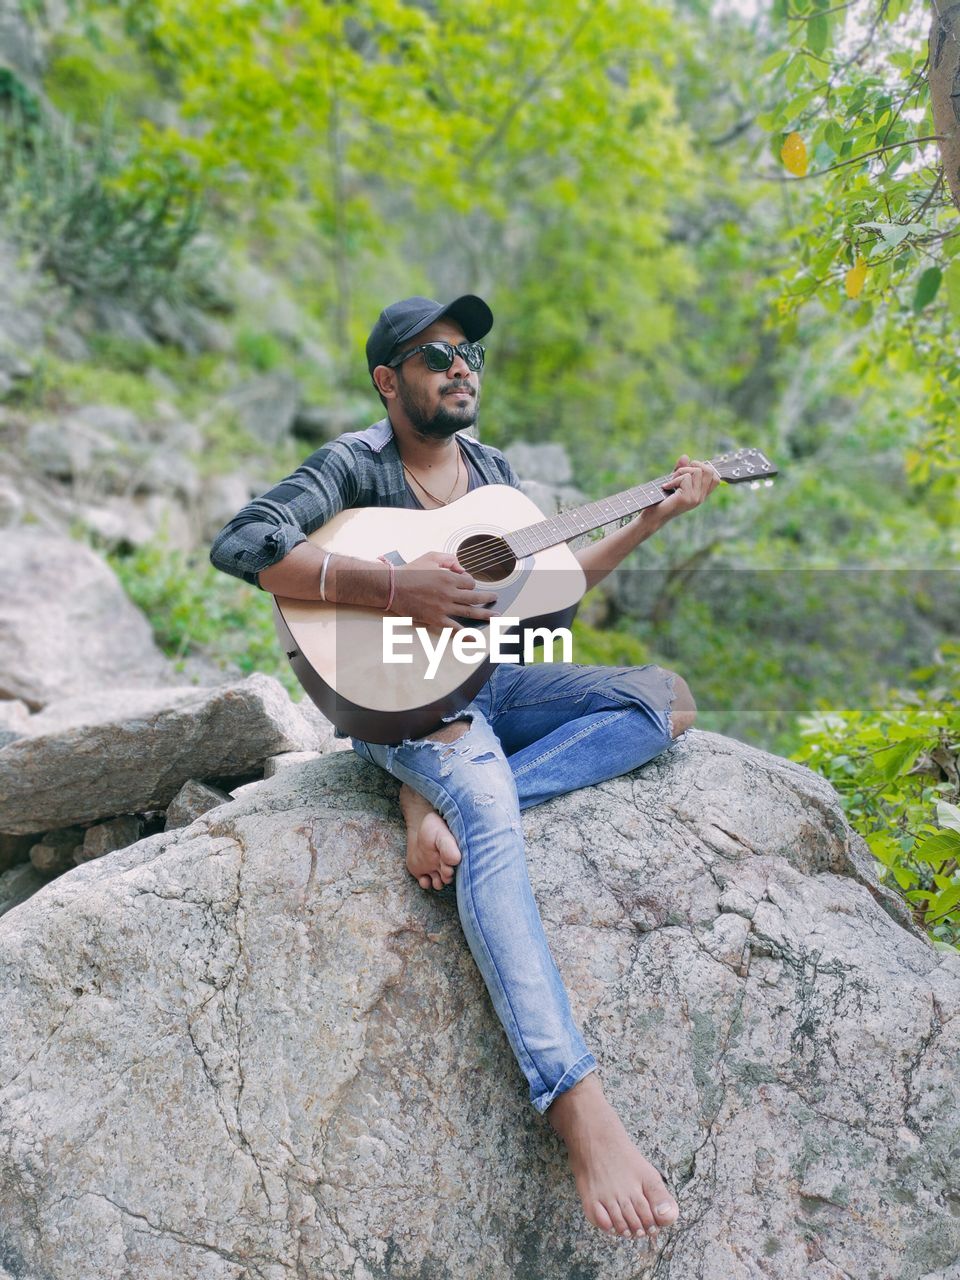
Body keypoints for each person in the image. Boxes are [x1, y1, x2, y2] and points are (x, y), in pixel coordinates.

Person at [209, 293, 720, 1244]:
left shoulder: (494, 476)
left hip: (489, 682)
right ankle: (580, 1110)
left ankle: (446, 795)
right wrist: (398, 584)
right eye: (435, 352)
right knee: (483, 805)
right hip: (396, 698)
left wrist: (652, 516)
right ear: (386, 379)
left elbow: (543, 609)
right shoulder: (354, 465)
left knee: (663, 701)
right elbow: (245, 544)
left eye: (471, 351)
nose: (460, 365)